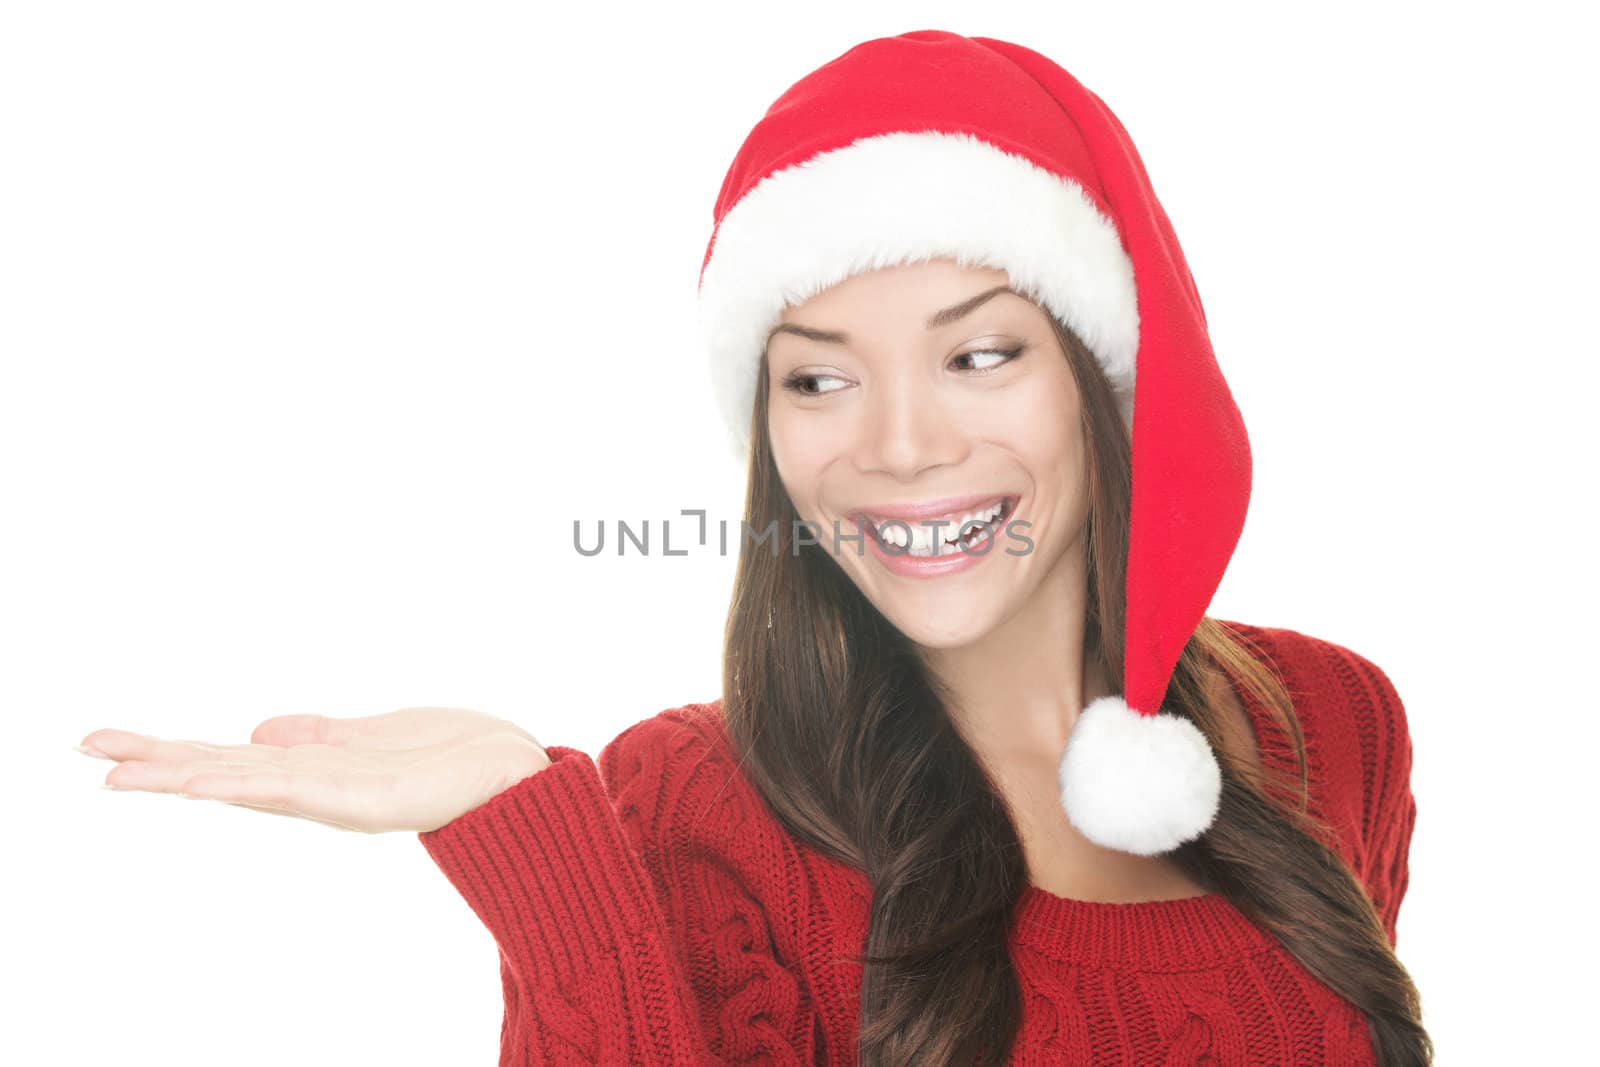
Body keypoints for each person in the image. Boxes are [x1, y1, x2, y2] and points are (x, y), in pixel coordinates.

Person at [74, 28, 1430, 1066]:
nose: (899, 445)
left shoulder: (1330, 723)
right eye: (819, 380)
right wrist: (550, 874)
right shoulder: (690, 810)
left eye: (978, 353)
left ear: (1115, 379)